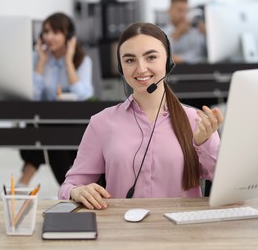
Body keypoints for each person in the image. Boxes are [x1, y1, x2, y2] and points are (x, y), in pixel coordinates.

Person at [58, 22, 223, 210]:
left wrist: (204, 143)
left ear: (168, 61)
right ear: (121, 67)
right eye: (130, 60)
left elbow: (227, 184)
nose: (141, 68)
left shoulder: (196, 121)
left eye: (151, 57)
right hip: (123, 232)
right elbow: (70, 186)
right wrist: (76, 191)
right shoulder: (102, 123)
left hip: (181, 235)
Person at [18, 12, 94, 187]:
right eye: (46, 31)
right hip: (44, 121)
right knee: (46, 129)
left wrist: (68, 62)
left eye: (55, 32)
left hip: (73, 123)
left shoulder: (82, 60)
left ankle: (23, 184)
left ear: (68, 36)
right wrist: (41, 63)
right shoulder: (37, 58)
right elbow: (31, 96)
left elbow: (85, 96)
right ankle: (68, 187)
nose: (49, 37)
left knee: (50, 132)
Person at [162, 0, 207, 64]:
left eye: (186, 10)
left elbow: (201, 55)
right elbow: (161, 56)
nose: (183, 15)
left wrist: (206, 34)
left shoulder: (194, 32)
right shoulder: (161, 33)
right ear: (169, 11)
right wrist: (175, 35)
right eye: (179, 10)